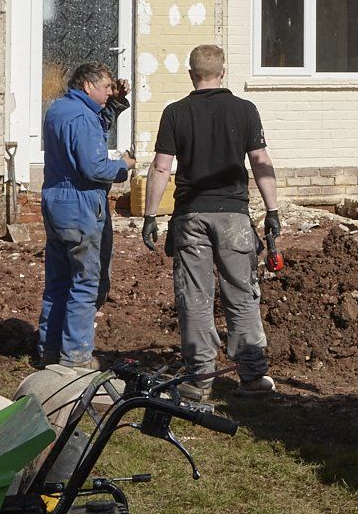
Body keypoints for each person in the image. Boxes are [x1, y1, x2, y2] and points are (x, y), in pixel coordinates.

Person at [141, 44, 282, 403]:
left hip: (191, 217)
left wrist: (150, 215)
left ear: (191, 74)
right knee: (241, 294)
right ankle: (251, 376)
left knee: (195, 298)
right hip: (234, 217)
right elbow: (261, 160)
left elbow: (161, 167)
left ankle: (200, 378)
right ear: (223, 71)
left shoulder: (175, 113)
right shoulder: (245, 110)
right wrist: (273, 210)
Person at [37, 62, 136, 368]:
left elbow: (93, 131)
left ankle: (49, 351)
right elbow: (93, 167)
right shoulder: (82, 117)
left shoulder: (59, 110)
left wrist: (115, 103)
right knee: (84, 281)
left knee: (58, 280)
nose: (110, 92)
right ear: (88, 86)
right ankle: (76, 358)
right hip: (79, 202)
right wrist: (124, 166)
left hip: (55, 200)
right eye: (106, 87)